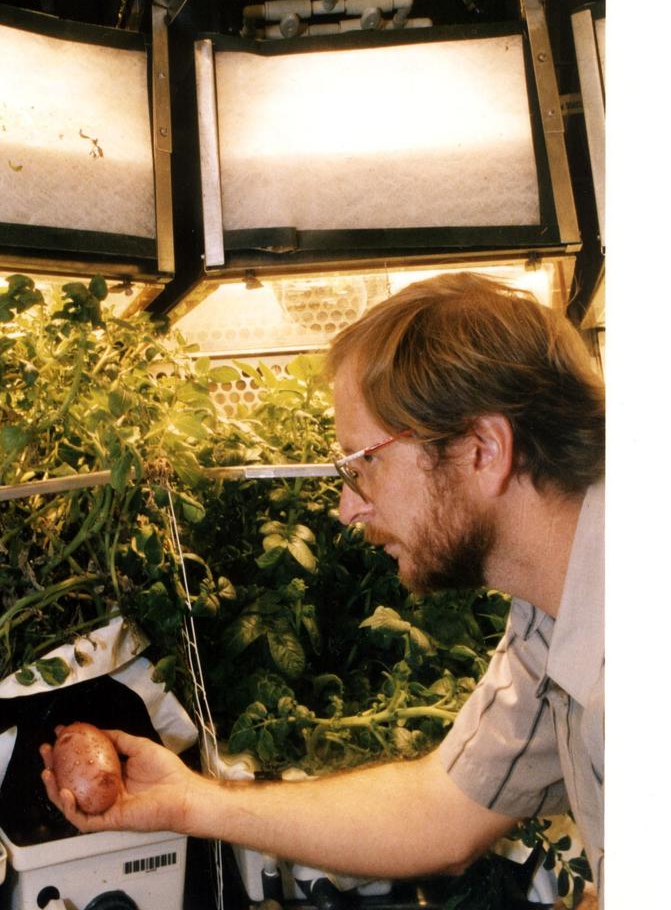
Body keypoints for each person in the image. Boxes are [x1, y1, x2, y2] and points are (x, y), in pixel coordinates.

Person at [41, 272, 605, 903]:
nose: (347, 508)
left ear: (482, 449)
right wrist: (191, 800)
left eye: (364, 463)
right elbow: (443, 811)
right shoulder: (547, 614)